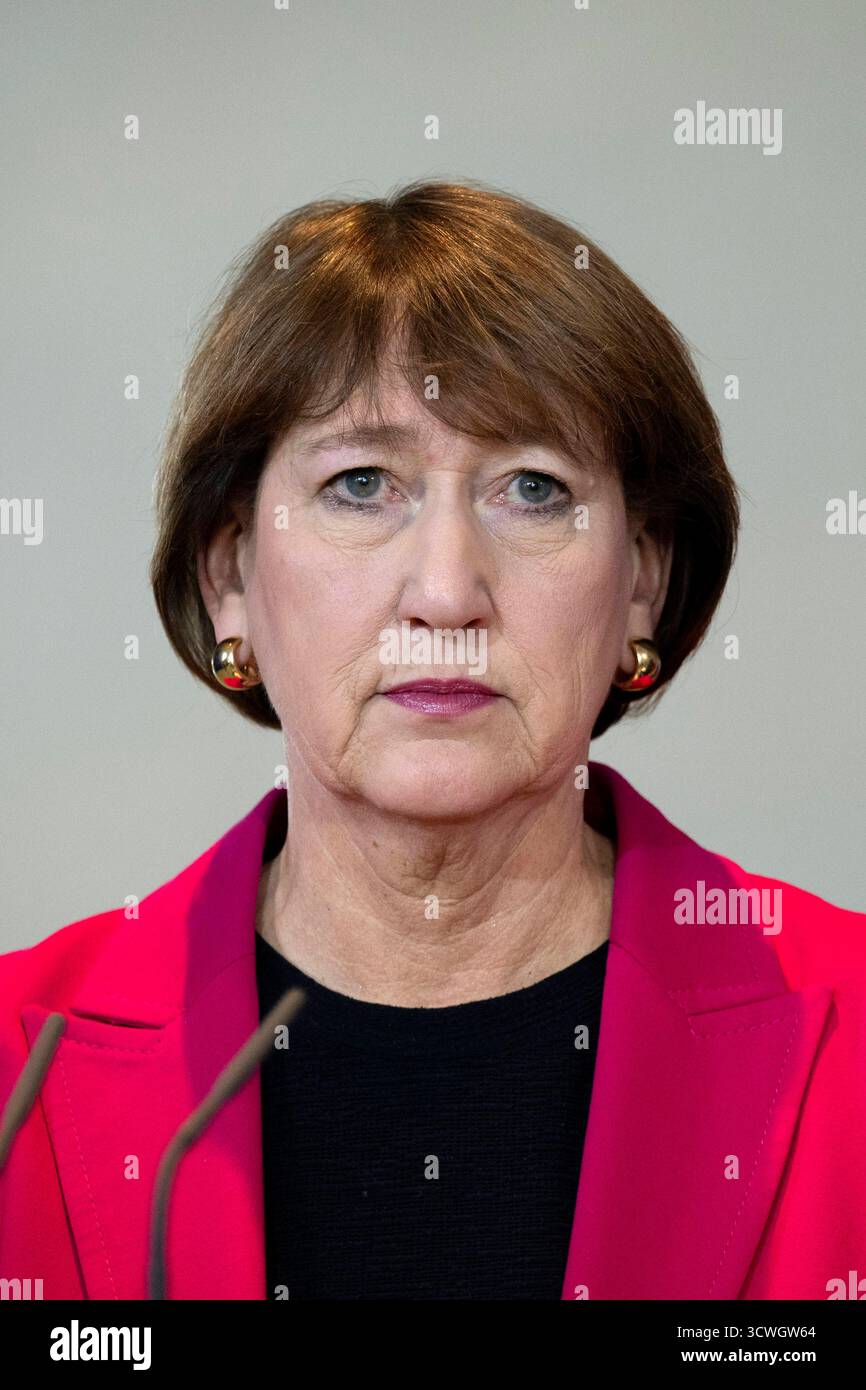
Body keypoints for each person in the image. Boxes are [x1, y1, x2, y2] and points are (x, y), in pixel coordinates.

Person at [1, 179, 864, 1302]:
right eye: (360, 485)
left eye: (532, 488)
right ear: (228, 581)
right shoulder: (24, 1060)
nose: (448, 591)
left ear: (641, 583)